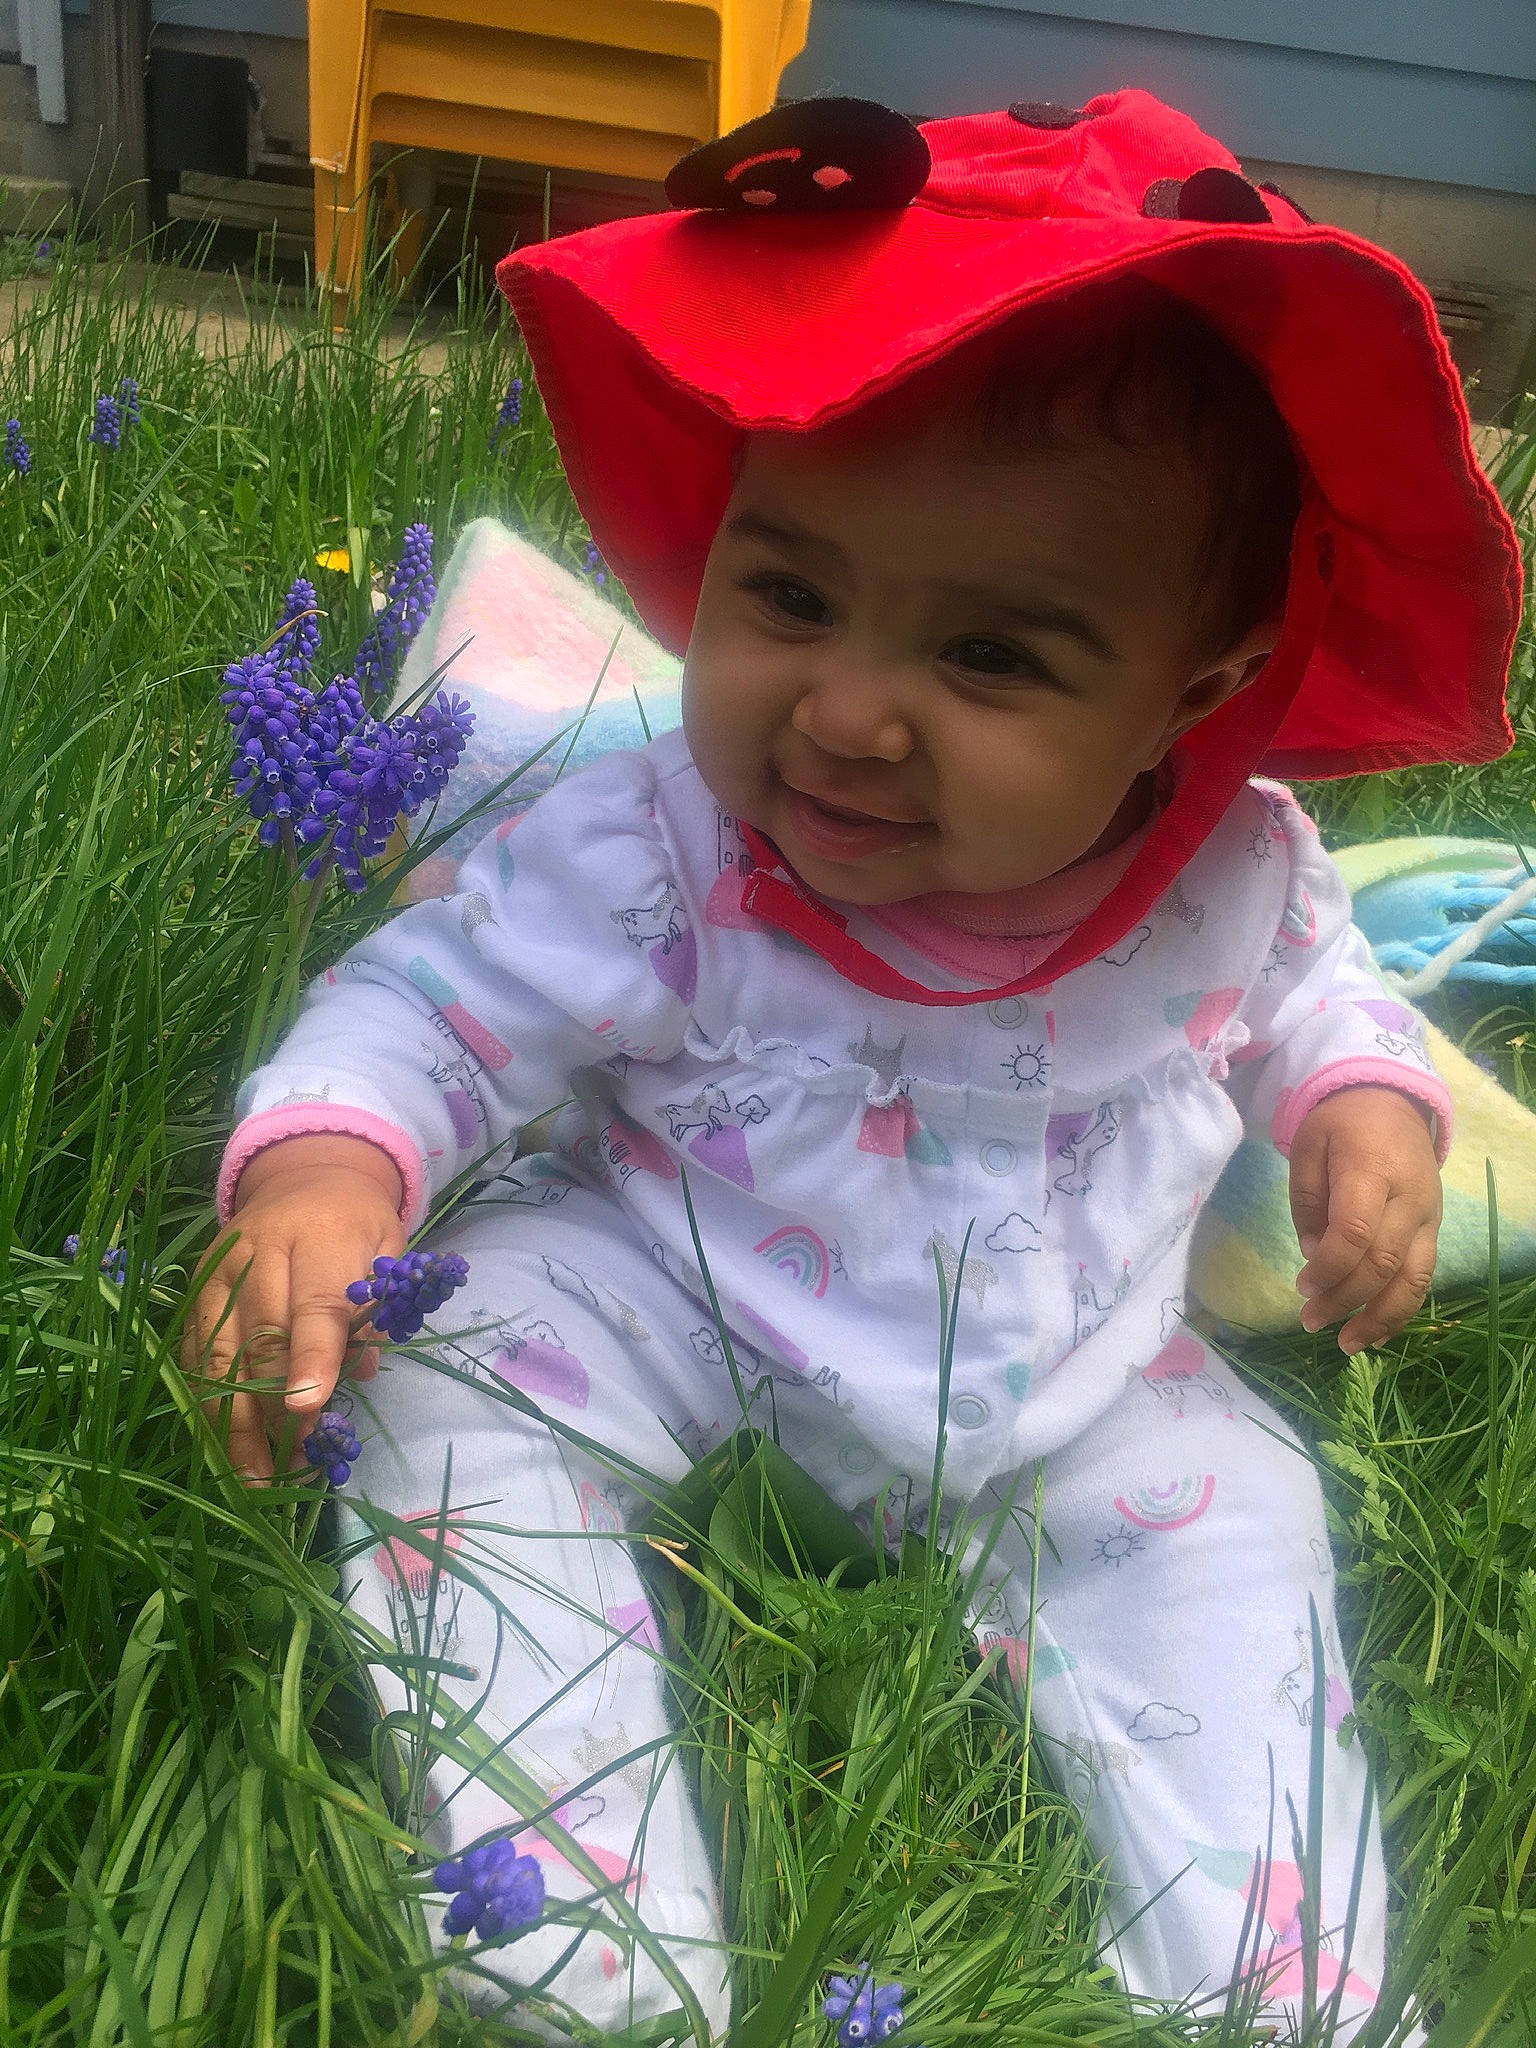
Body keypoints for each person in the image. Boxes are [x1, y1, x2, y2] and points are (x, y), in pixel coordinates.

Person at [186, 90, 1521, 2044]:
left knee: (1247, 1514)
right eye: (791, 595)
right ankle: (579, 1948)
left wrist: (1365, 1116)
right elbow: (435, 1000)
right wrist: (327, 1174)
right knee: (444, 1364)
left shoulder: (1238, 869)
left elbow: (1329, 999)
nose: (846, 712)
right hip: (678, 1280)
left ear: (1198, 692)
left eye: (992, 660)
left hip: (1078, 1376)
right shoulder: (664, 843)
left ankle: (1290, 1996)